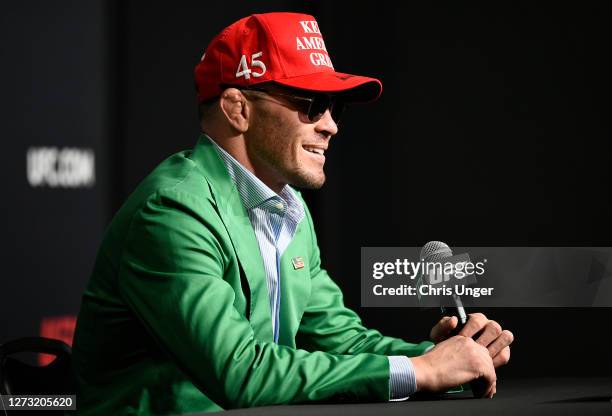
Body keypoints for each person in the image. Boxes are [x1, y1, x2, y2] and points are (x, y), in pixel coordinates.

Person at [71, 12, 514, 415]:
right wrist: (421, 371)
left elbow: (344, 343)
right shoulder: (172, 211)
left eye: (333, 108)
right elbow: (241, 371)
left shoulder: (288, 208)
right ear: (237, 109)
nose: (331, 125)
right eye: (310, 105)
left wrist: (447, 356)